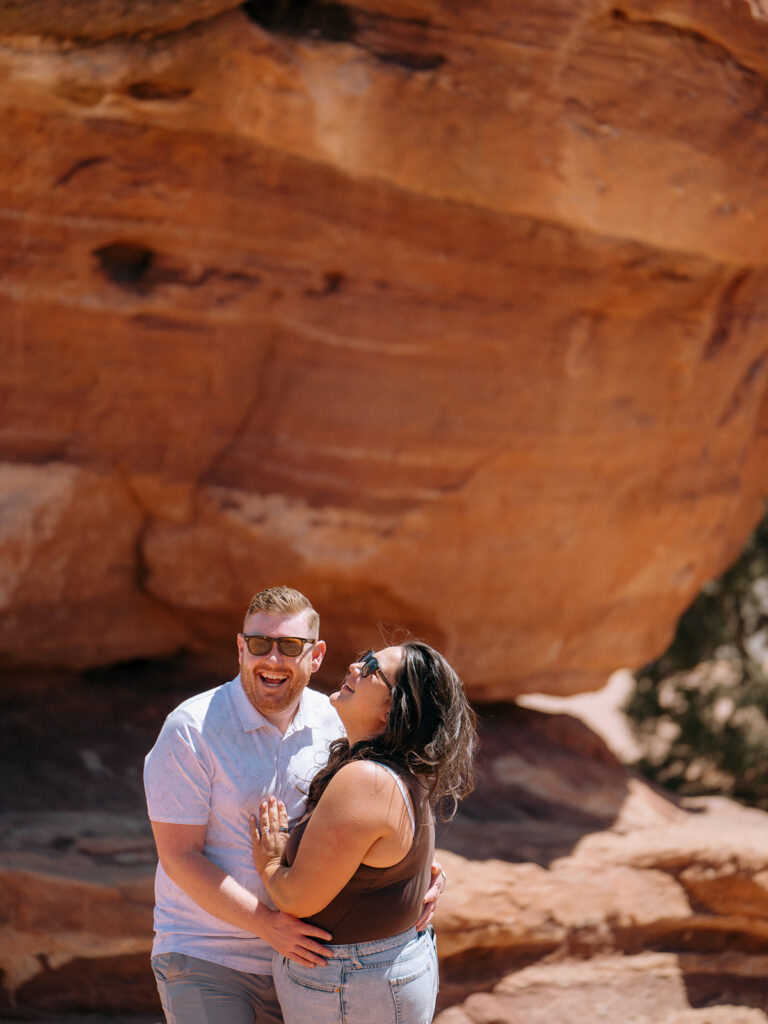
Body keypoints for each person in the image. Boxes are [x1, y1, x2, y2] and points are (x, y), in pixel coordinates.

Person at [144, 586, 446, 1024]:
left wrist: (418, 874)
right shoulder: (189, 729)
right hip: (205, 954)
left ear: (316, 655)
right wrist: (267, 923)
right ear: (240, 647)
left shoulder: (336, 718)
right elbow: (177, 855)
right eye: (258, 644)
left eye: (289, 646)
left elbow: (389, 802)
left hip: (311, 964)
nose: (272, 659)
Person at [251, 641, 477, 1024]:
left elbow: (297, 898)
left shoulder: (366, 779)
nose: (355, 665)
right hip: (377, 973)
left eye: (372, 667)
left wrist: (270, 862)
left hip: (352, 983)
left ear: (393, 709)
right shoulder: (403, 767)